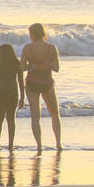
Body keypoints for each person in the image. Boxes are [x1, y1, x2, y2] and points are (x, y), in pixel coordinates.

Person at [19, 23, 62, 152]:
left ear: (32, 34)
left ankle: (39, 145)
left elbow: (21, 68)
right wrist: (46, 64)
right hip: (47, 82)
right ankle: (58, 143)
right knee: (55, 114)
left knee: (35, 116)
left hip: (32, 83)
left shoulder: (27, 48)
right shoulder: (51, 48)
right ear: (43, 33)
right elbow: (56, 68)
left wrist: (33, 65)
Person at [0, 43, 25, 150]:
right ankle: (10, 144)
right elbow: (20, 81)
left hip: (0, 92)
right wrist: (22, 97)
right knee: (11, 119)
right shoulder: (16, 62)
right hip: (13, 93)